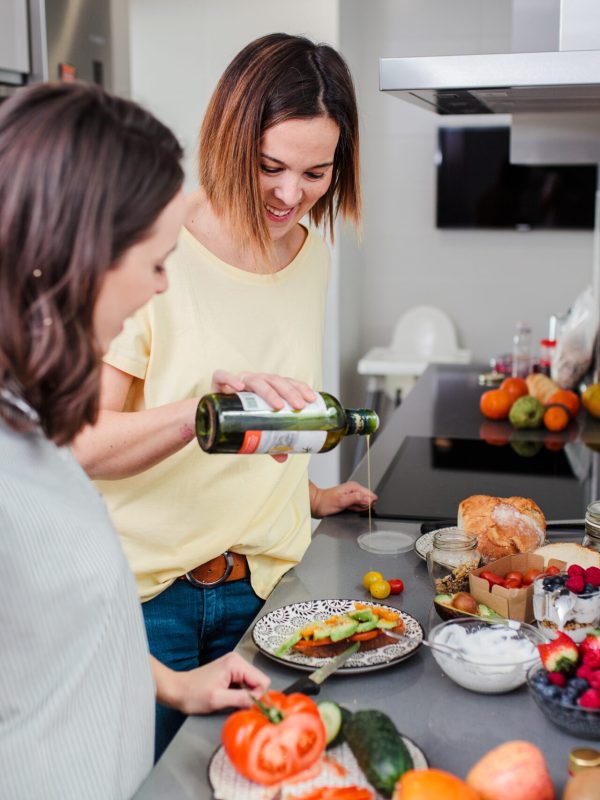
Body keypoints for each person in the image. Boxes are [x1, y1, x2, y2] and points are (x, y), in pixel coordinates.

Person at [73, 33, 376, 758]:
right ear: (229, 137)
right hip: (153, 601)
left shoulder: (311, 255)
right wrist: (194, 418)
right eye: (271, 166)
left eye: (316, 173)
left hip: (268, 585)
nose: (289, 194)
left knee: (258, 775)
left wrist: (305, 493)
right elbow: (81, 445)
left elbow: (270, 415)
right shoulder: (156, 243)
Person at [0, 82, 271, 799]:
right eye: (154, 261)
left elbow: (67, 627)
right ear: (76, 252)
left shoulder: (33, 422)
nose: (160, 286)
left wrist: (175, 687)